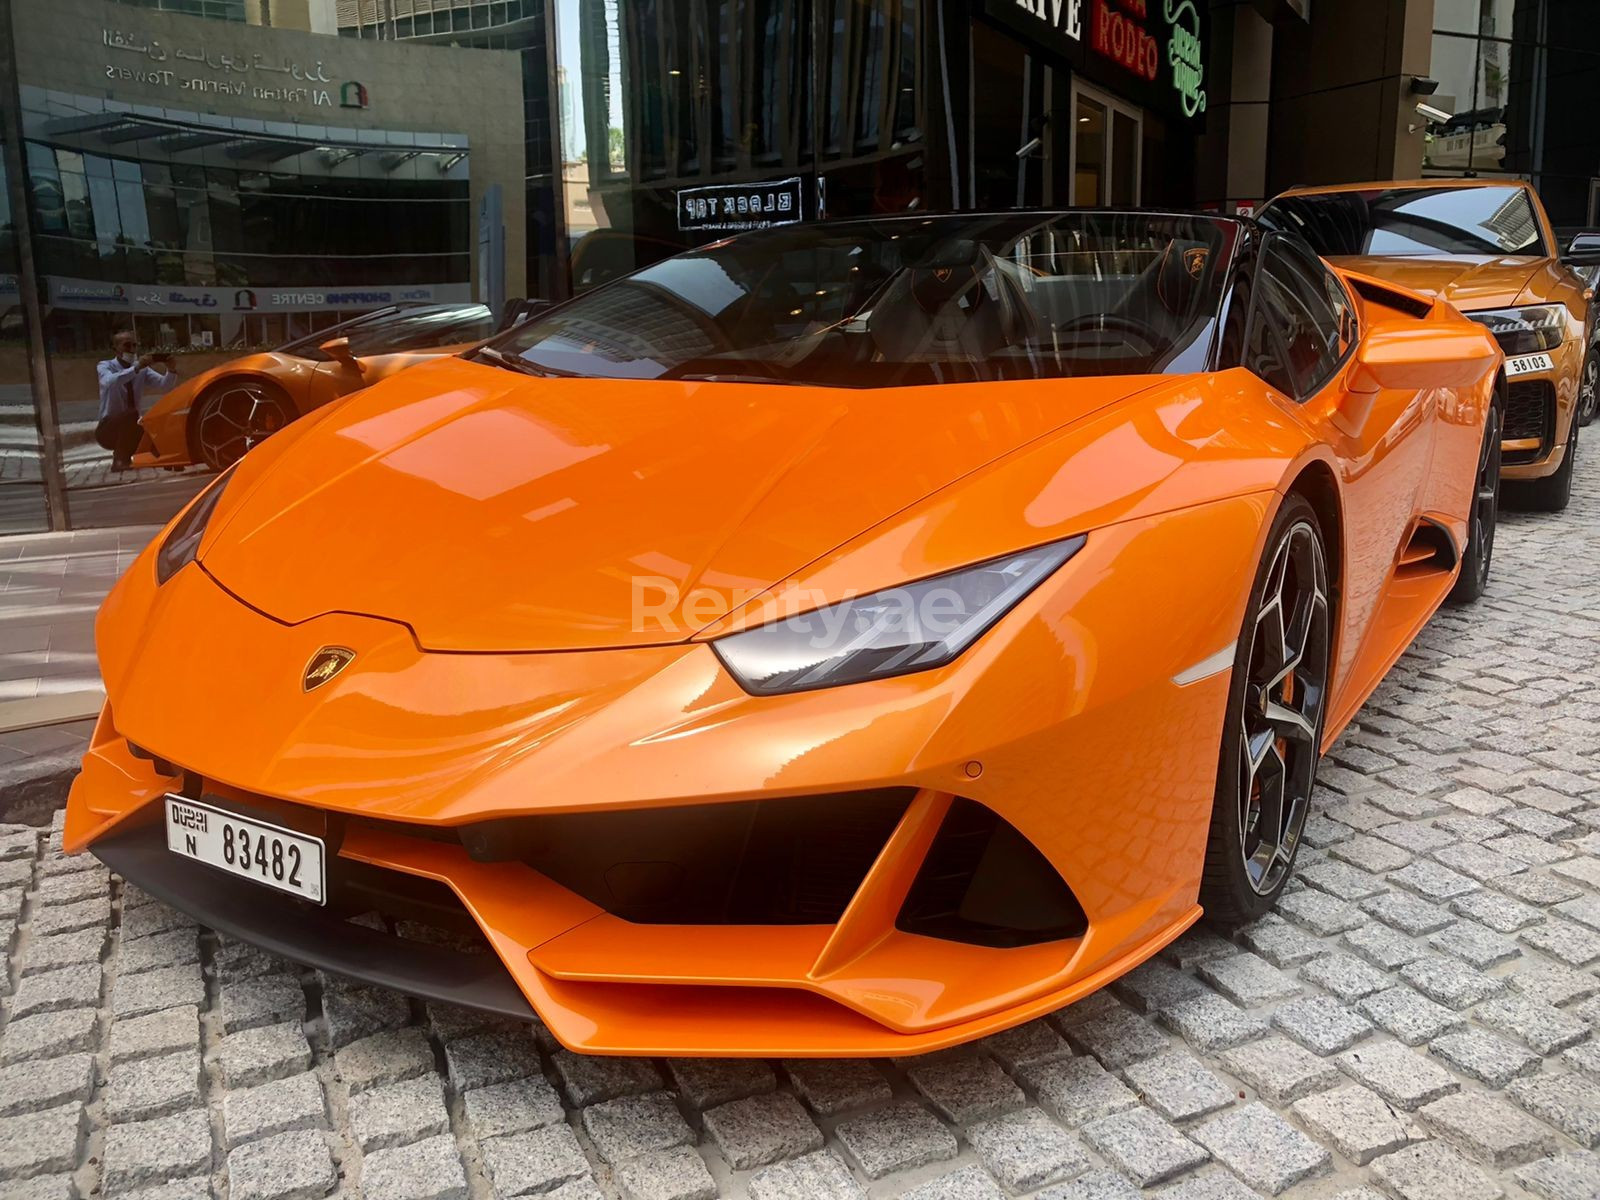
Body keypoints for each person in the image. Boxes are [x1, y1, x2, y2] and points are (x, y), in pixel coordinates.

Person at [96, 330, 178, 472]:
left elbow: (164, 386)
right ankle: (120, 460)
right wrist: (136, 368)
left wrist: (170, 370)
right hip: (107, 429)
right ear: (115, 348)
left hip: (132, 426)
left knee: (152, 429)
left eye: (135, 345)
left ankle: (166, 459)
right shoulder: (105, 366)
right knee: (131, 414)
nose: (132, 350)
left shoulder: (141, 369)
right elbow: (110, 382)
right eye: (127, 345)